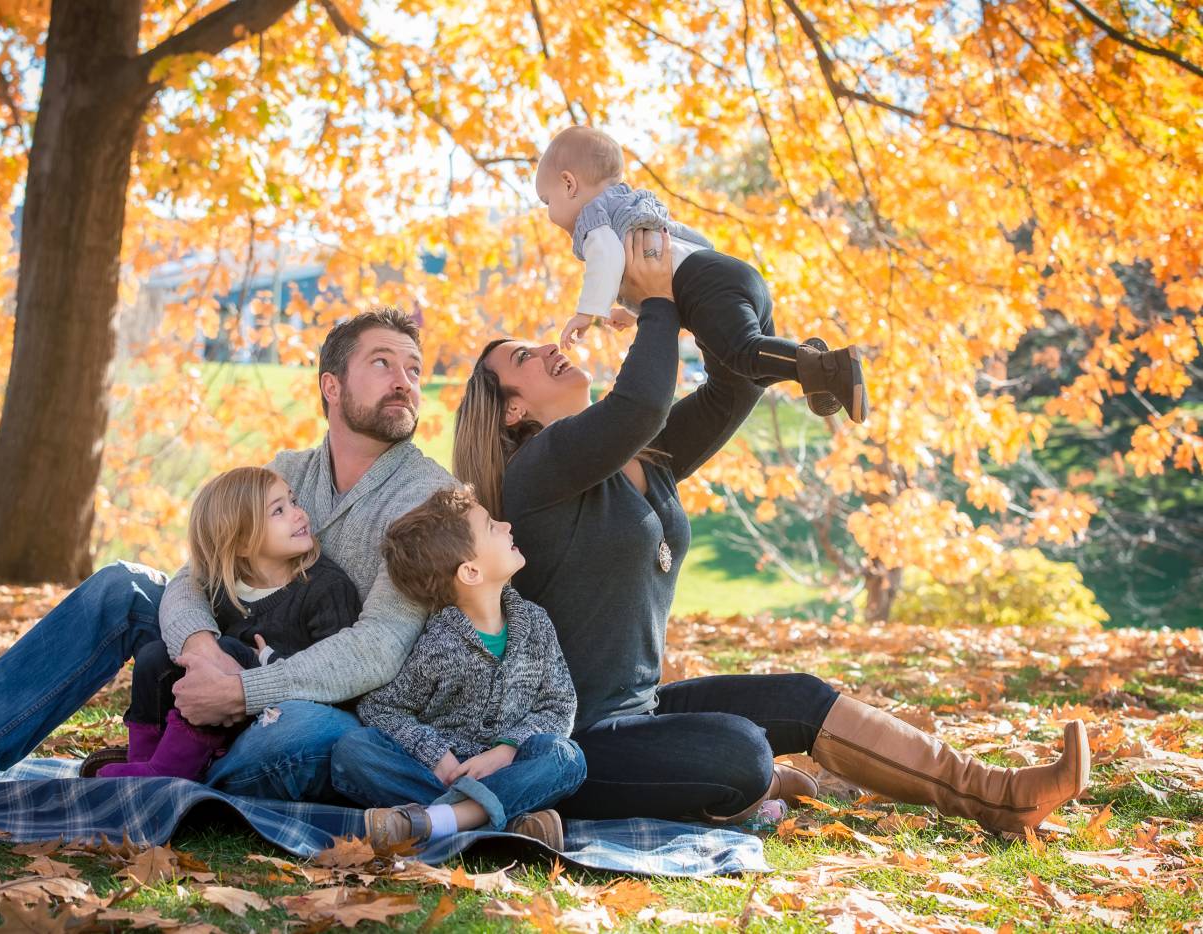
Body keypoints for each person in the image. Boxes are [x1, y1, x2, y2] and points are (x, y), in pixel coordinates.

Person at [451, 228, 1090, 834]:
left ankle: (997, 794)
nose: (548, 348)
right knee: (741, 754)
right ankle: (734, 789)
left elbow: (736, 385)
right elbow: (640, 401)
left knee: (802, 698)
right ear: (512, 408)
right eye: (523, 357)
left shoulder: (643, 456)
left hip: (639, 714)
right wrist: (656, 302)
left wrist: (706, 290)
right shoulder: (536, 473)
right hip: (572, 744)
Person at [0, 309, 454, 801]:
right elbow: (201, 571)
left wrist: (245, 690)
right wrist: (200, 648)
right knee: (122, 585)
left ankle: (169, 774)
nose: (405, 381)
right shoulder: (289, 470)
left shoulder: (426, 494)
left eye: (414, 369)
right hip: (232, 650)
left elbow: (381, 646)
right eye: (382, 362)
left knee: (308, 734)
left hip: (322, 699)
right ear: (332, 386)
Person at [536, 125, 867, 423]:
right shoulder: (631, 206)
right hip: (724, 271)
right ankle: (811, 363)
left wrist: (587, 313)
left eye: (547, 200)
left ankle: (827, 367)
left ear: (569, 183)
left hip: (704, 285)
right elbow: (670, 259)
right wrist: (633, 312)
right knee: (746, 372)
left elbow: (605, 258)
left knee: (743, 353)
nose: (549, 212)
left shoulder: (594, 220)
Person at [330, 486, 585, 852]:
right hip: (443, 774)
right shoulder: (438, 641)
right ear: (470, 571)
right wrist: (438, 758)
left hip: (509, 768)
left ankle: (436, 822)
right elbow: (381, 708)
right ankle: (508, 821)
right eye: (492, 526)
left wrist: (506, 750)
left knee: (566, 757)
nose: (507, 525)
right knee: (354, 750)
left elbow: (559, 705)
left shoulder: (536, 624)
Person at [94, 466, 360, 780]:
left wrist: (268, 661)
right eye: (279, 510)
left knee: (229, 650)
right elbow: (185, 601)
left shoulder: (326, 588)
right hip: (220, 716)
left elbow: (338, 671)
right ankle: (145, 758)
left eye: (293, 501)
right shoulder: (225, 588)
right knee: (154, 656)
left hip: (281, 714)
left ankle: (169, 770)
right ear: (243, 543)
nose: (299, 514)